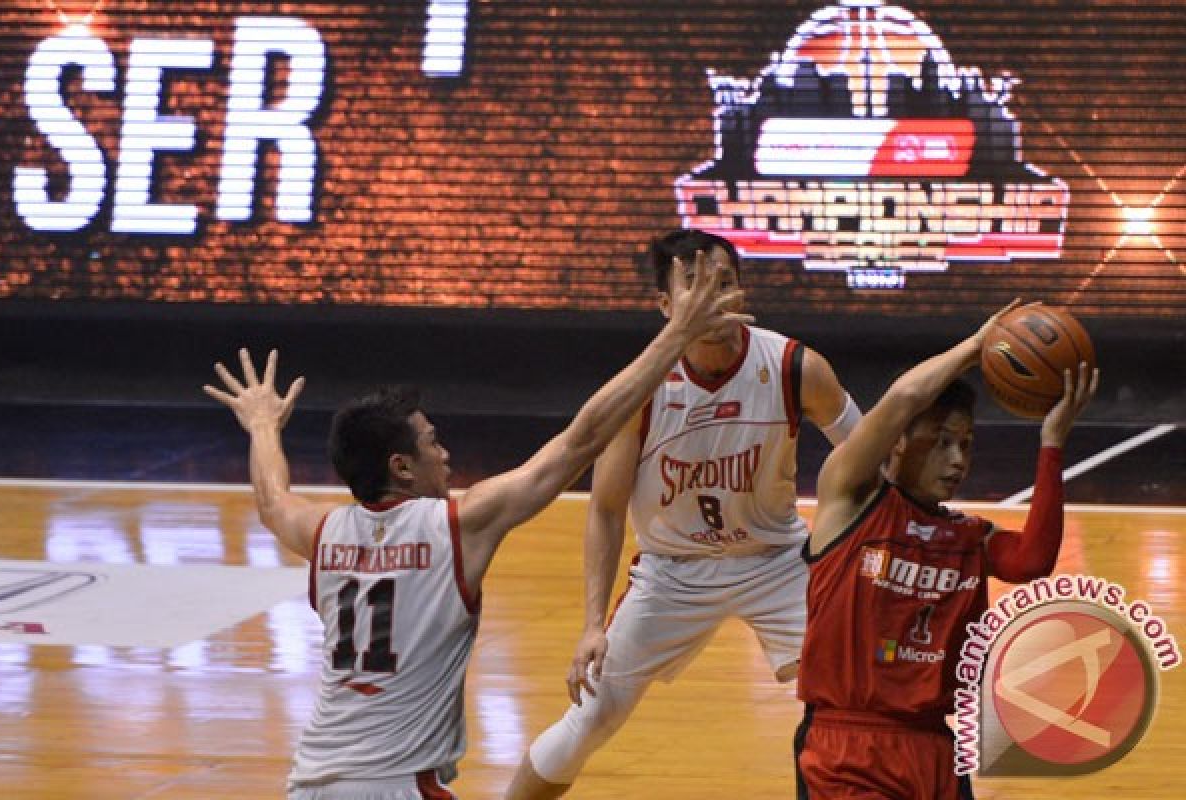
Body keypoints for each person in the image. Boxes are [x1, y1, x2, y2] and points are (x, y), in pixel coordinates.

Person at [202, 252, 748, 800]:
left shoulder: (324, 534)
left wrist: (262, 426)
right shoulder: (456, 527)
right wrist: (676, 336)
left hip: (309, 784)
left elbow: (273, 501)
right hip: (401, 787)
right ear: (402, 467)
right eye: (432, 443)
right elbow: (580, 440)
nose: (444, 455)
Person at [506, 229, 861, 800]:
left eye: (724, 283)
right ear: (667, 306)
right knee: (591, 719)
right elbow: (604, 510)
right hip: (672, 571)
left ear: (742, 293)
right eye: (694, 285)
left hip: (775, 562)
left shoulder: (796, 366)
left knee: (852, 699)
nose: (712, 299)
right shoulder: (641, 391)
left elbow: (867, 455)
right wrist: (592, 624)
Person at [793, 302, 1098, 799]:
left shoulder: (967, 536)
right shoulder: (851, 498)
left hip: (934, 747)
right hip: (847, 748)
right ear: (896, 442)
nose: (958, 460)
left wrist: (1052, 443)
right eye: (941, 442)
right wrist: (978, 347)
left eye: (966, 444)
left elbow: (1033, 559)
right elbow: (903, 398)